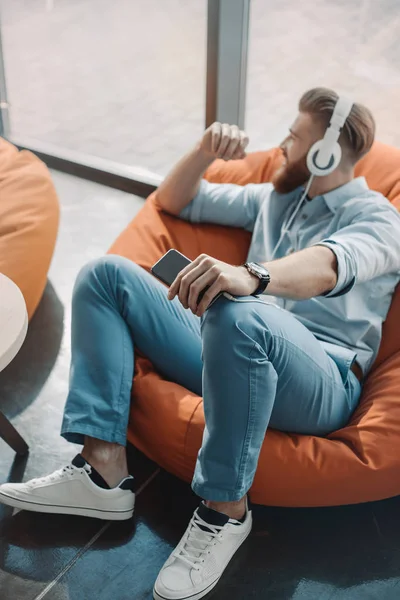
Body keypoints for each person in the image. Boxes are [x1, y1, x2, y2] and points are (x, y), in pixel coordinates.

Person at [1, 87, 400, 600]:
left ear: (326, 151)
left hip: (320, 387)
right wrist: (204, 151)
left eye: (294, 136)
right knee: (106, 274)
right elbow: (175, 201)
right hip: (234, 349)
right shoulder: (276, 198)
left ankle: (225, 510)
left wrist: (249, 277)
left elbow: (328, 266)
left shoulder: (380, 220)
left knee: (239, 314)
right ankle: (102, 471)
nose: (282, 145)